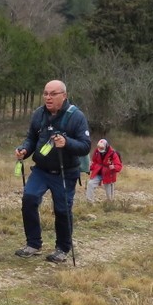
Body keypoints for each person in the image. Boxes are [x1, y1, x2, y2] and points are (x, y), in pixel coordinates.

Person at [14, 80, 91, 262]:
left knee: (62, 209)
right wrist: (24, 150)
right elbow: (31, 139)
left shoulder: (76, 117)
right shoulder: (39, 114)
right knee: (29, 199)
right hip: (41, 170)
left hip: (65, 172)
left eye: (53, 94)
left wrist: (67, 143)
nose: (48, 97)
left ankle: (62, 248)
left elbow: (85, 146)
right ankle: (33, 243)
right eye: (45, 93)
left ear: (63, 96)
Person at [85, 138, 123, 203]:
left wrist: (114, 167)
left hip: (108, 174)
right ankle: (89, 202)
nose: (100, 150)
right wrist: (89, 168)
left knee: (109, 195)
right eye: (99, 148)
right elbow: (94, 162)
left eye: (102, 148)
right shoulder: (97, 151)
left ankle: (110, 204)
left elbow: (119, 166)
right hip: (98, 172)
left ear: (106, 146)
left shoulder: (113, 154)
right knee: (90, 184)